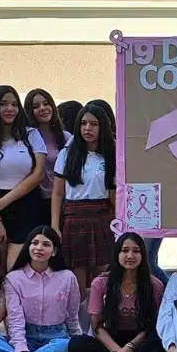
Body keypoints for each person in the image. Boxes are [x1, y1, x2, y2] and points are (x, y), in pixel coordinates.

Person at [0, 226, 80, 352]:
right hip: (26, 336)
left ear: (55, 251)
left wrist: (78, 342)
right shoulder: (14, 278)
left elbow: (72, 316)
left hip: (56, 338)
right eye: (34, 243)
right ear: (28, 246)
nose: (39, 248)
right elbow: (15, 320)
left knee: (69, 347)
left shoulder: (67, 277)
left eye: (46, 244)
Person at [0, 84, 49, 268]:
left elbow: (38, 174)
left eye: (14, 104)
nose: (10, 109)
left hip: (26, 204)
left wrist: (4, 201)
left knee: (15, 268)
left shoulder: (31, 134)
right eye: (4, 104)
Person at [68, 231, 165, 352]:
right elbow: (97, 327)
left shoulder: (155, 285)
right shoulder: (100, 283)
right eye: (125, 250)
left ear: (143, 255)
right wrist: (117, 351)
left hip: (140, 340)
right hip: (111, 339)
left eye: (136, 251)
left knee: (163, 337)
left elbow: (153, 326)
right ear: (117, 254)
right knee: (75, 344)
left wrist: (130, 347)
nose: (130, 256)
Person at [51, 100, 116, 293]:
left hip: (103, 218)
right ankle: (78, 322)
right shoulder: (67, 154)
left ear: (102, 127)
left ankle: (99, 322)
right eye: (84, 123)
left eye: (94, 124)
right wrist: (55, 225)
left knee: (101, 280)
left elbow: (114, 193)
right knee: (77, 283)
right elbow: (57, 193)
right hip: (74, 219)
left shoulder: (111, 155)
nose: (88, 128)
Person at [24, 87, 69, 228]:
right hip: (33, 200)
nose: (42, 108)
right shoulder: (25, 137)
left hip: (62, 200)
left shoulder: (67, 138)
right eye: (36, 106)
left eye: (46, 103)